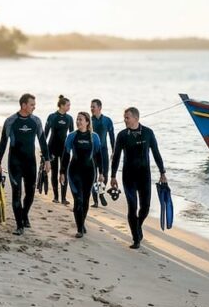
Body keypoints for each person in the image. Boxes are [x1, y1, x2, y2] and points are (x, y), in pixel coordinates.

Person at [110, 107, 167, 249]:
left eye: (127, 117)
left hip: (144, 176)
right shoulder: (122, 135)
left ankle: (137, 225)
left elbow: (156, 153)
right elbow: (116, 156)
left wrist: (162, 172)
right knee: (132, 207)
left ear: (136, 118)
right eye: (124, 117)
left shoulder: (148, 133)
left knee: (145, 207)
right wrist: (113, 175)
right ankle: (136, 239)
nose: (125, 120)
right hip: (128, 177)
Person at [0, 94, 51, 235]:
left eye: (34, 104)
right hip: (15, 162)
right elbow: (3, 143)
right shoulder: (11, 121)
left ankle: (24, 214)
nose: (34, 107)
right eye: (32, 104)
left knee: (30, 193)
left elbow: (42, 141)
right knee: (17, 193)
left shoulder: (36, 121)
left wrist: (47, 160)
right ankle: (19, 225)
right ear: (23, 105)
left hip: (30, 163)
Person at [61, 112, 103, 238]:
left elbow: (98, 156)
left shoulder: (94, 137)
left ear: (87, 122)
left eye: (81, 119)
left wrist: (101, 173)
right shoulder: (72, 136)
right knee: (78, 200)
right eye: (77, 119)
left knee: (85, 200)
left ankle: (82, 222)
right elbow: (66, 155)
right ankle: (80, 229)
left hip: (89, 172)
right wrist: (62, 172)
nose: (78, 122)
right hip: (74, 172)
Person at [44, 95, 74, 204]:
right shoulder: (52, 117)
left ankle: (64, 198)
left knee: (64, 172)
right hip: (52, 147)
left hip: (64, 149)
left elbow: (72, 135)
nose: (69, 107)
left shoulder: (69, 118)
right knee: (54, 172)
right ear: (61, 105)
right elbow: (45, 133)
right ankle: (56, 197)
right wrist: (44, 150)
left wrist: (73, 149)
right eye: (67, 105)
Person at [89, 99, 115, 207]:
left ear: (99, 108)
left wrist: (114, 150)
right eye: (91, 107)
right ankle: (95, 201)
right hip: (92, 152)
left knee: (104, 175)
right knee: (93, 176)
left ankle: (101, 193)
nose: (91, 108)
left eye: (93, 106)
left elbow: (112, 136)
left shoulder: (107, 120)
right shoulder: (89, 120)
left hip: (103, 151)